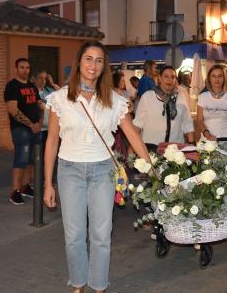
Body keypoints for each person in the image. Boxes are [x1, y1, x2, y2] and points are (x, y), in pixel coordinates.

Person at [43, 41, 151, 293]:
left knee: (102, 234)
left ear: (104, 66)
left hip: (103, 170)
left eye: (99, 60)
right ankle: (78, 283)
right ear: (79, 62)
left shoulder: (114, 100)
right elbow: (51, 143)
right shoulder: (60, 99)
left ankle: (99, 285)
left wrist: (151, 166)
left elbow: (133, 135)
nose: (93, 65)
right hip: (70, 171)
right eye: (88, 59)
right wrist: (49, 183)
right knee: (74, 235)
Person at [4, 58, 44, 205]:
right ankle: (15, 191)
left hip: (35, 128)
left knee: (32, 160)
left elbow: (40, 105)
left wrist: (39, 123)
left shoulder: (32, 86)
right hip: (20, 129)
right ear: (16, 69)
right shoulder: (12, 86)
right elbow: (13, 110)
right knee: (21, 159)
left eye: (27, 68)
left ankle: (26, 186)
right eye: (22, 67)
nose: (25, 70)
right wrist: (30, 124)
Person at [134, 66, 195, 150]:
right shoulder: (148, 97)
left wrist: (192, 145)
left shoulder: (181, 97)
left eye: (173, 77)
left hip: (175, 149)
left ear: (175, 80)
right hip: (152, 148)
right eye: (166, 76)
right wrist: (133, 148)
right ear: (160, 78)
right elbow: (137, 125)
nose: (169, 80)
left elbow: (187, 123)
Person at [197, 64, 227, 143]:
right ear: (209, 79)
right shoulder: (202, 96)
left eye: (220, 76)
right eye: (213, 76)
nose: (217, 79)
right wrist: (207, 134)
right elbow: (199, 120)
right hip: (206, 141)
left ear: (224, 78)